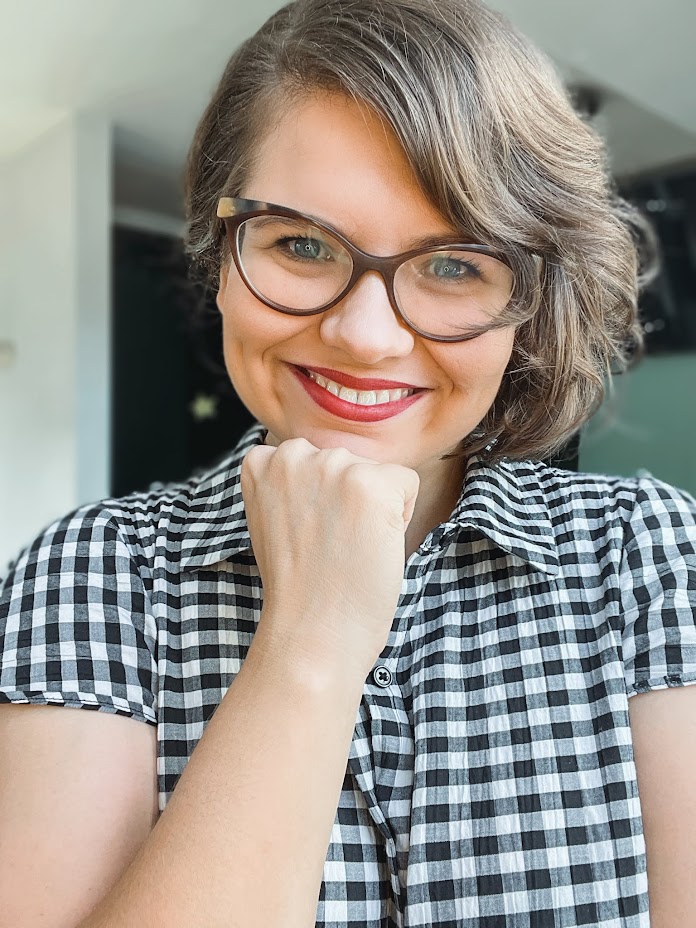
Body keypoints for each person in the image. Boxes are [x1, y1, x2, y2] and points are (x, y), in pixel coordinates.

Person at [1, 0, 695, 925]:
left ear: (528, 303)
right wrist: (309, 649)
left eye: (455, 266)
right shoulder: (89, 575)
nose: (365, 336)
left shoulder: (652, 557)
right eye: (300, 244)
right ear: (218, 256)